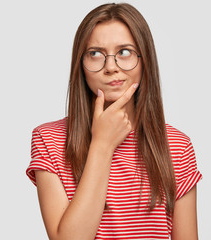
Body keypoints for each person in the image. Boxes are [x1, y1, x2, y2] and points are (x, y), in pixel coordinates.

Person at [26, 3, 202, 240]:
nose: (111, 67)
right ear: (81, 64)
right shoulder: (49, 139)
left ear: (144, 60)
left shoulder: (177, 146)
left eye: (125, 52)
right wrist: (102, 144)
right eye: (95, 54)